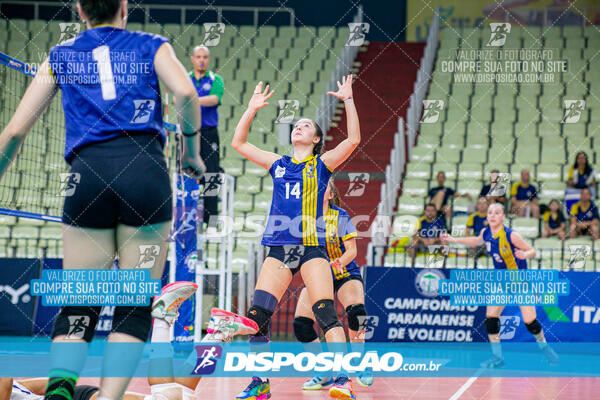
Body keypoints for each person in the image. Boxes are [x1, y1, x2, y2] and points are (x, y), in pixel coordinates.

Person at [0, 0, 204, 399]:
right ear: (124, 8)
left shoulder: (61, 55)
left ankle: (60, 391)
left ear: (80, 11)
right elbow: (185, 93)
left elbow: (14, 132)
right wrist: (191, 153)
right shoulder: (151, 44)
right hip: (144, 172)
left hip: (86, 177)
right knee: (133, 303)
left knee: (79, 302)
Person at [207, 74, 360, 400]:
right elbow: (238, 144)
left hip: (311, 248)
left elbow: (353, 141)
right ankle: (259, 382)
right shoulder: (278, 163)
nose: (299, 128)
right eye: (297, 125)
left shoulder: (321, 165)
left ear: (317, 139)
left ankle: (342, 379)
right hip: (280, 248)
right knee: (258, 315)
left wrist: (348, 99)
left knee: (325, 312)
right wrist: (250, 110)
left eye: (306, 126)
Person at [441, 203, 558, 368]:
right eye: (490, 213)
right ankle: (497, 357)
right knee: (491, 319)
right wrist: (454, 239)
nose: (493, 215)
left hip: (519, 281)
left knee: (530, 322)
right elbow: (476, 240)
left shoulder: (511, 235)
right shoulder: (486, 232)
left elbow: (532, 250)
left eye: (497, 213)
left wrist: (525, 254)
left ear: (503, 216)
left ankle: (545, 347)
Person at [293, 181, 373, 391]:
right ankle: (324, 370)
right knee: (301, 324)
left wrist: (338, 263)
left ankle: (359, 361)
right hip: (318, 274)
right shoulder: (304, 217)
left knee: (357, 312)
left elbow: (352, 251)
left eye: (323, 187)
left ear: (330, 194)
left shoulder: (341, 216)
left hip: (343, 270)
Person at [189, 45, 225, 233]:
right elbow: (176, 100)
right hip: (188, 132)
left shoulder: (215, 79)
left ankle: (211, 221)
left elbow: (214, 99)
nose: (201, 60)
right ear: (192, 59)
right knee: (187, 175)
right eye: (198, 56)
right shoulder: (185, 79)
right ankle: (186, 220)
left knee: (211, 175)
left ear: (208, 59)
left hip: (209, 132)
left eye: (205, 57)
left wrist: (191, 98)